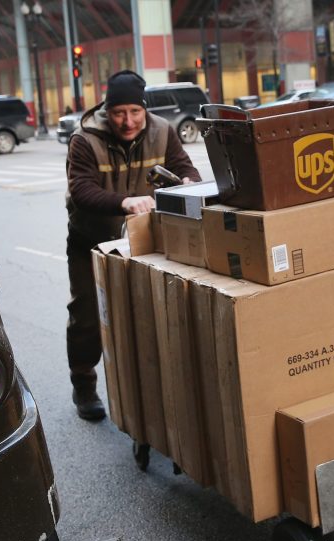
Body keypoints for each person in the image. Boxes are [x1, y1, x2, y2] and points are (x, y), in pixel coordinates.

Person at [65, 70, 200, 420]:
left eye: (135, 112)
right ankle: (84, 385)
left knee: (145, 316)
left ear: (145, 109)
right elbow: (81, 190)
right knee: (88, 317)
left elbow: (187, 169)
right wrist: (125, 202)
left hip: (142, 242)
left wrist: (187, 182)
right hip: (91, 241)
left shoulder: (162, 131)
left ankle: (146, 391)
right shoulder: (85, 139)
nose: (128, 122)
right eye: (119, 113)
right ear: (107, 111)